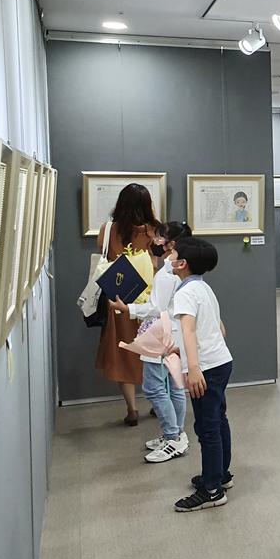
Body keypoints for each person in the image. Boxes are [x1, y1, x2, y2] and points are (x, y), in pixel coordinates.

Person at [110, 220, 192, 463]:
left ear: (171, 244)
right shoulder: (179, 267)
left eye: (160, 237)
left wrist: (128, 308)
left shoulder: (168, 274)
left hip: (161, 333)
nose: (155, 241)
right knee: (175, 386)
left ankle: (172, 437)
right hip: (174, 332)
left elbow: (156, 308)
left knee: (155, 387)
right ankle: (177, 434)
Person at [170, 237, 235, 512]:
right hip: (221, 362)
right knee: (218, 420)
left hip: (206, 368)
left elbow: (189, 330)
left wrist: (193, 368)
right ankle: (220, 474)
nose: (169, 257)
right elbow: (220, 329)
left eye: (173, 254)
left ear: (182, 263)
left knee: (207, 428)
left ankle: (211, 490)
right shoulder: (203, 287)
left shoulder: (185, 293)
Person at [95, 183, 159, 426]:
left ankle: (132, 410)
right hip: (149, 299)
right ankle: (158, 403)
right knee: (155, 351)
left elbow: (104, 257)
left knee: (124, 354)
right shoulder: (153, 231)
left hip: (118, 301)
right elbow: (157, 264)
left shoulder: (108, 230)